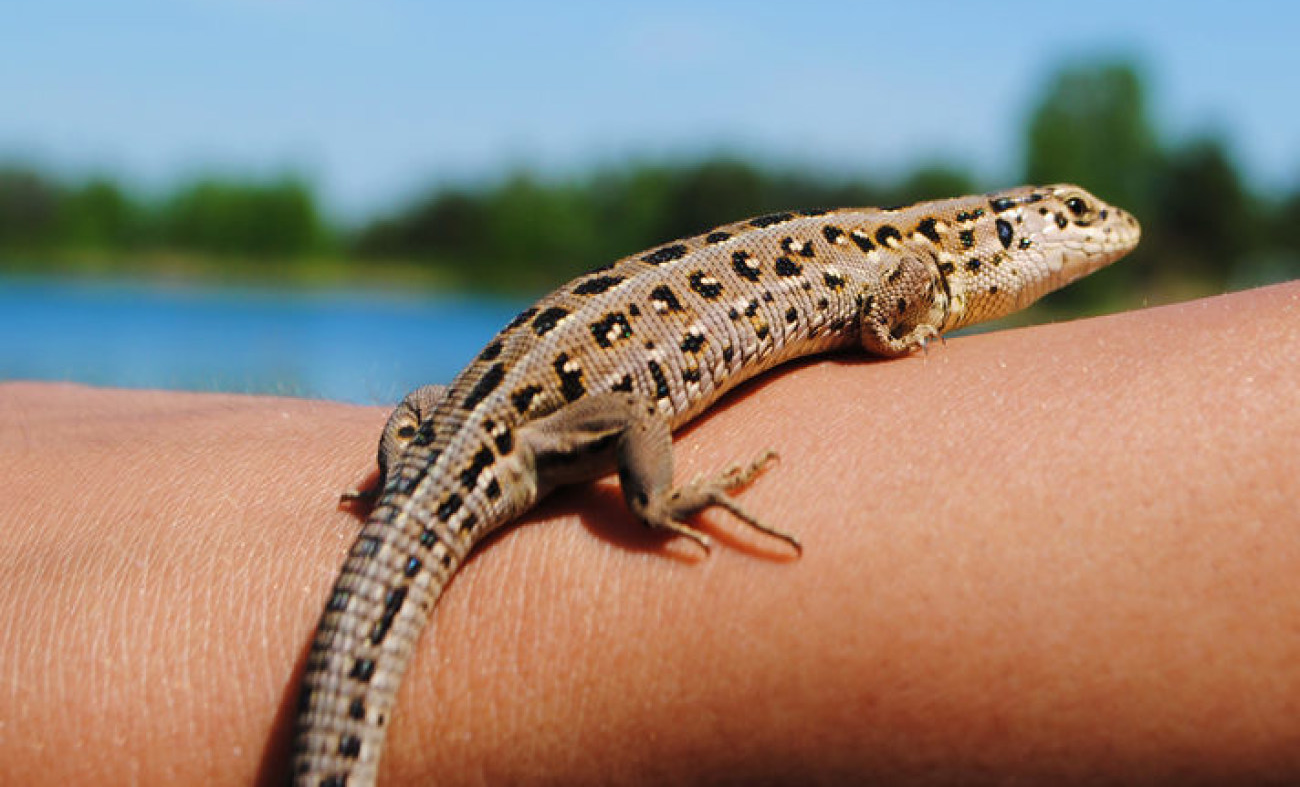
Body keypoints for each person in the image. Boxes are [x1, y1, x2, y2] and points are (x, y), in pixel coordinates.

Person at [1, 281, 1297, 786]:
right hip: (521, 446)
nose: (1092, 241)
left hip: (449, 437)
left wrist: (379, 491)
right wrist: (658, 497)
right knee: (605, 442)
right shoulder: (906, 270)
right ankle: (665, 499)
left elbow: (415, 418)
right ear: (1000, 239)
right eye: (1067, 217)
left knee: (425, 459)